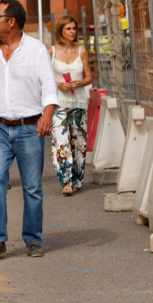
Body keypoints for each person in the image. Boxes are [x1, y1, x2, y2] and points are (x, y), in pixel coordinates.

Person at [0, 0, 58, 259]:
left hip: (30, 129)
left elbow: (49, 88)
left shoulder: (36, 50)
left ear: (11, 21)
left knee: (32, 187)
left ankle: (32, 239)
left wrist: (47, 114)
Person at [50, 15, 94, 195]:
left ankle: (77, 179)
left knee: (78, 143)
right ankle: (66, 180)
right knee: (61, 142)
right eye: (68, 28)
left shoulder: (81, 50)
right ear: (60, 30)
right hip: (59, 104)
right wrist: (59, 84)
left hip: (79, 102)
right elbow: (44, 78)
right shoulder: (50, 51)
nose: (72, 32)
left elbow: (89, 76)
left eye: (74, 28)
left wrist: (80, 83)